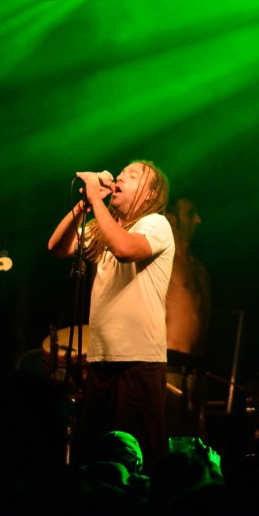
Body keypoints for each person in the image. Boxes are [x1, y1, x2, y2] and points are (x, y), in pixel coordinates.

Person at [48, 161, 174, 462]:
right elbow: (57, 247)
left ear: (149, 193)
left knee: (134, 459)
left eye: (132, 176)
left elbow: (125, 250)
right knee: (95, 458)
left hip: (138, 360)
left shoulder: (155, 224)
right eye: (120, 174)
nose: (120, 178)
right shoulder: (104, 227)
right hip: (102, 360)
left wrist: (95, 199)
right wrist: (84, 205)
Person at [164, 197, 212, 437]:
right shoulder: (162, 262)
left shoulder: (199, 266)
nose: (198, 220)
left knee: (196, 447)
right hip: (170, 369)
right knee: (172, 443)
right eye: (191, 214)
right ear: (172, 219)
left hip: (198, 372)